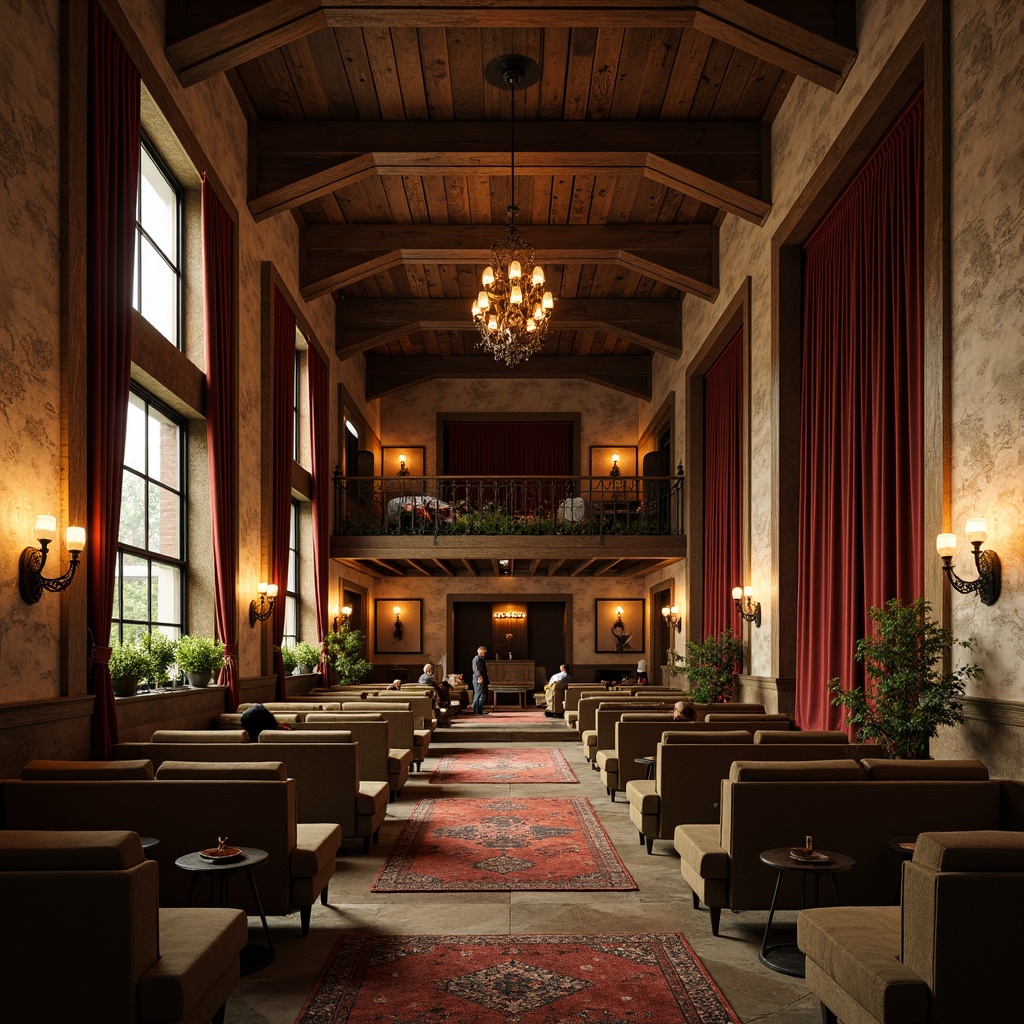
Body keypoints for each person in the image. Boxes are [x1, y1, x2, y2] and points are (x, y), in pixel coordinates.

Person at [471, 645, 489, 715]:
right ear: (481, 651)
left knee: (482, 695)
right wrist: (479, 677)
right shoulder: (477, 659)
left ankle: (479, 710)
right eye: (484, 651)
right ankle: (475, 710)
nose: (485, 652)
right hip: (478, 678)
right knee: (478, 694)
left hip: (482, 677)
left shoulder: (481, 659)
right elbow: (477, 669)